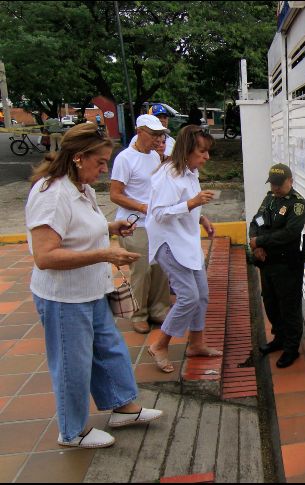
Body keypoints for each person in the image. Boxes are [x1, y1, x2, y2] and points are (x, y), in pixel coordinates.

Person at [25, 123, 163, 449]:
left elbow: (80, 229)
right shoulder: (52, 194)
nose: (105, 169)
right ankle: (72, 432)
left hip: (91, 290)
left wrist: (111, 226)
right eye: (100, 162)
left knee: (109, 349)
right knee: (73, 364)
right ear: (78, 158)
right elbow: (45, 256)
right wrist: (104, 252)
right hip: (64, 298)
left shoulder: (81, 188)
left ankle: (123, 407)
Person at [145, 125, 221, 373]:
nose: (206, 157)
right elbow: (158, 213)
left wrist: (202, 218)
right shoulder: (169, 175)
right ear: (187, 150)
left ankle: (196, 344)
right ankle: (160, 344)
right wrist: (192, 203)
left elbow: (186, 204)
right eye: (202, 151)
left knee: (202, 294)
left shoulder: (190, 172)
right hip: (169, 242)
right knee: (188, 296)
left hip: (186, 240)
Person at [110, 114, 171, 334]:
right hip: (136, 223)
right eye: (153, 134)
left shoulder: (156, 156)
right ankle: (139, 313)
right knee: (142, 269)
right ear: (140, 132)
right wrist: (142, 207)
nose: (157, 139)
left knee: (161, 266)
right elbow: (115, 194)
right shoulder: (125, 158)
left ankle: (159, 308)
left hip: (157, 222)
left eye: (160, 135)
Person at [249, 163, 305, 368]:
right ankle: (279, 338)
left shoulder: (297, 204)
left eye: (279, 184)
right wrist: (254, 241)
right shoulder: (270, 199)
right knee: (271, 304)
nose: (275, 188)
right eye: (272, 184)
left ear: (290, 181)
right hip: (266, 263)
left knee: (289, 306)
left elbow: (289, 234)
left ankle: (292, 348)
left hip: (286, 265)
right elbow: (256, 221)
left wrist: (261, 242)